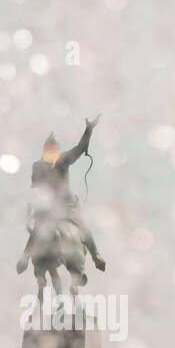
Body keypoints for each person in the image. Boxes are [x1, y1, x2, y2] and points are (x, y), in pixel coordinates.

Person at [18, 115, 106, 274]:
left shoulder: (63, 160)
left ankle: (96, 255)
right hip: (49, 206)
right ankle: (25, 259)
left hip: (67, 204)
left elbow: (80, 148)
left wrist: (89, 129)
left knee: (82, 227)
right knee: (37, 230)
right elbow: (36, 184)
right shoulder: (38, 166)